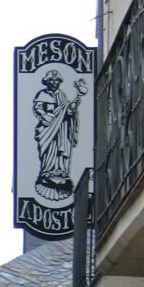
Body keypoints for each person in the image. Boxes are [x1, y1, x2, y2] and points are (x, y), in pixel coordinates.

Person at [32, 70, 88, 200]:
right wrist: (44, 115)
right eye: (51, 80)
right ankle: (47, 172)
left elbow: (69, 109)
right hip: (48, 129)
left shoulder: (62, 94)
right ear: (47, 81)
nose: (54, 82)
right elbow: (37, 108)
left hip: (61, 130)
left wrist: (79, 96)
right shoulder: (42, 94)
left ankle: (60, 172)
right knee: (49, 151)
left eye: (57, 80)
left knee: (60, 151)